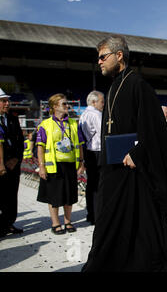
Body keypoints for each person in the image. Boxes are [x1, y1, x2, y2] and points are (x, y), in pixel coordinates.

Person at [82, 35, 167, 272]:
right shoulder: (114, 86)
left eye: (103, 56)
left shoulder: (138, 85)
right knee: (111, 218)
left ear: (119, 55)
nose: (99, 62)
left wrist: (137, 153)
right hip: (114, 168)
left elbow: (154, 128)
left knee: (143, 219)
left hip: (133, 168)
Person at [36, 93, 85, 235]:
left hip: (70, 165)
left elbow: (80, 145)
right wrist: (42, 166)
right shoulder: (45, 125)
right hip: (54, 166)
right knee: (54, 196)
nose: (67, 106)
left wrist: (81, 164)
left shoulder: (73, 124)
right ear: (54, 106)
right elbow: (40, 147)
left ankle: (68, 221)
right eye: (64, 104)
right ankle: (55, 223)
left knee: (69, 195)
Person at [0, 88, 24, 237]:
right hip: (0, 164)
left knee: (11, 195)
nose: (7, 103)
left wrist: (16, 159)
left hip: (13, 165)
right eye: (3, 101)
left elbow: (20, 142)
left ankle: (9, 223)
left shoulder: (13, 119)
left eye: (7, 101)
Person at [79, 90, 104, 224]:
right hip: (97, 151)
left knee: (91, 184)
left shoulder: (84, 114)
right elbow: (103, 134)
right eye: (101, 102)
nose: (103, 104)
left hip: (88, 151)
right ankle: (98, 214)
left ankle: (91, 213)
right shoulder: (96, 114)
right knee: (99, 184)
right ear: (94, 102)